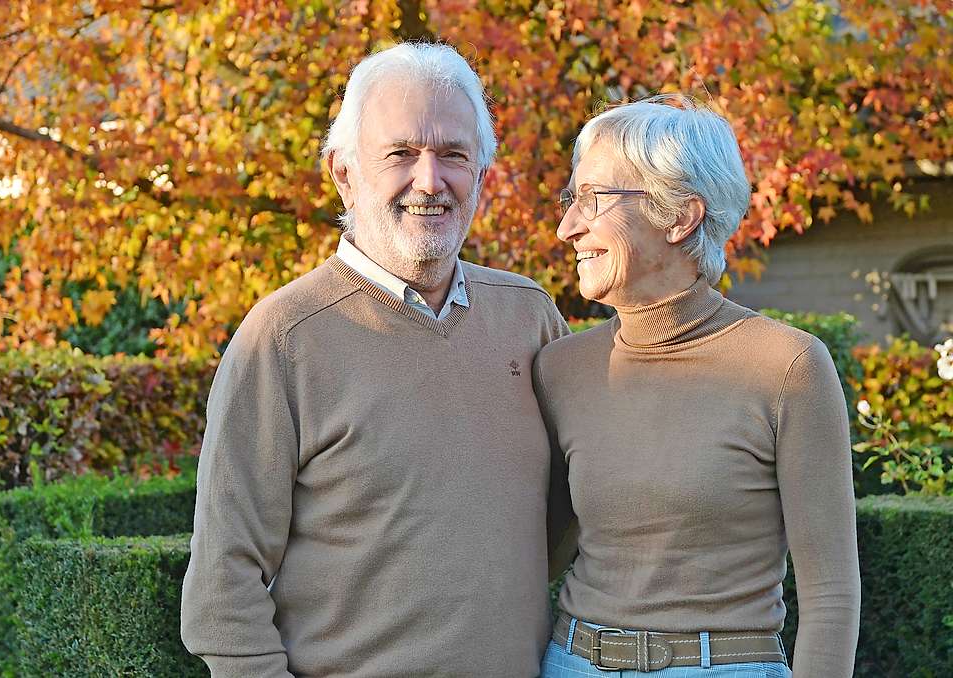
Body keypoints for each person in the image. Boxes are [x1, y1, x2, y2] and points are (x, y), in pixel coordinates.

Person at [180, 43, 569, 677]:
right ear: (344, 173)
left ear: (483, 178)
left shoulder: (529, 320)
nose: (429, 180)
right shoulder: (282, 339)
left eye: (453, 156)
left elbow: (567, 514)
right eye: (400, 155)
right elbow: (222, 591)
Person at [534, 97, 860, 677]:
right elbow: (539, 552)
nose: (568, 227)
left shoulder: (787, 367)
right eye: (571, 199)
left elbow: (831, 595)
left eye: (595, 200)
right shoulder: (560, 369)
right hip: (571, 663)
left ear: (680, 216)